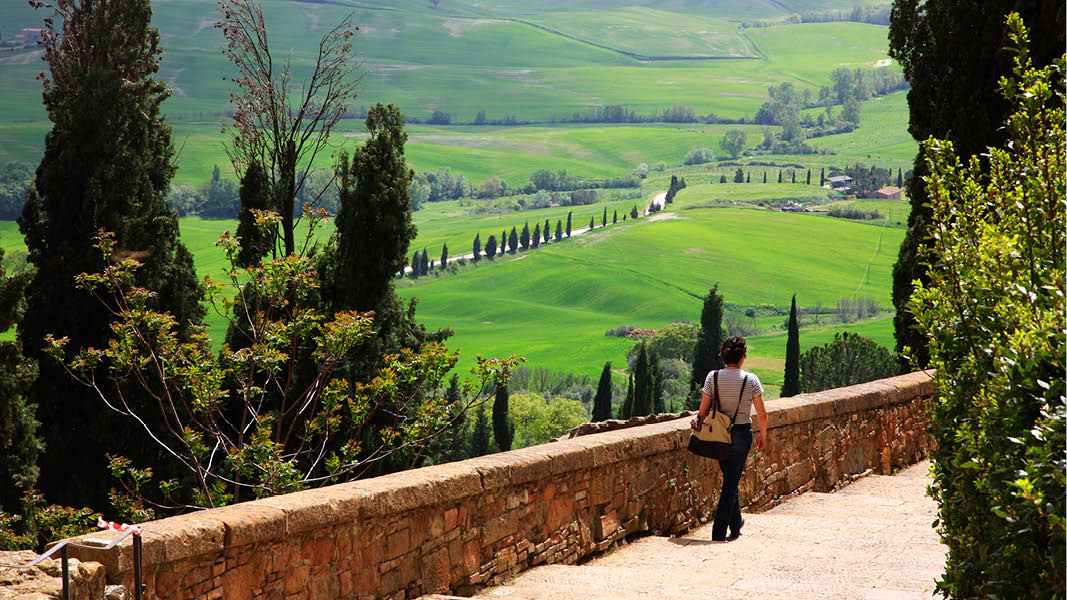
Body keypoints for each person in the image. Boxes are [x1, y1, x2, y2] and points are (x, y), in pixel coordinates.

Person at [697, 336, 768, 541]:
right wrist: (763, 436)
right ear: (743, 358)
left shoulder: (713, 377)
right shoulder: (751, 380)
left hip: (718, 435)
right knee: (731, 482)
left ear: (724, 356)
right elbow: (761, 413)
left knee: (730, 479)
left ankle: (736, 523)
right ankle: (718, 533)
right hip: (740, 434)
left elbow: (703, 410)